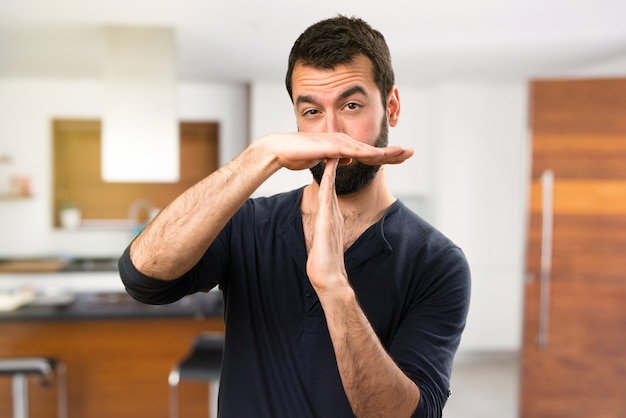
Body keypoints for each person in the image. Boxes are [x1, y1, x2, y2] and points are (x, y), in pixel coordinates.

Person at [119, 15, 470, 418]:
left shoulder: (437, 262)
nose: (331, 133)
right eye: (311, 112)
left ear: (390, 107)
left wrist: (335, 288)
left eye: (351, 105)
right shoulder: (247, 223)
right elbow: (142, 276)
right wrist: (260, 155)